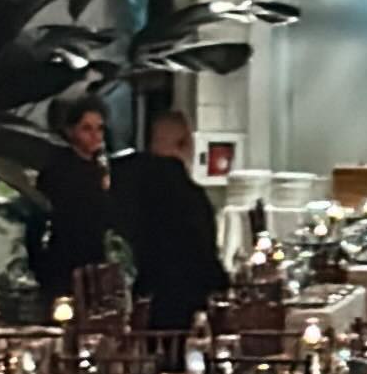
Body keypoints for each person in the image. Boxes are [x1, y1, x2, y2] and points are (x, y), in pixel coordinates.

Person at [111, 107, 230, 339]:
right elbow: (201, 253)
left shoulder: (121, 181)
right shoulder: (189, 196)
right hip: (178, 301)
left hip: (132, 298)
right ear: (185, 144)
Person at [29, 96, 114, 305]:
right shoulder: (57, 171)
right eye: (87, 129)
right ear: (70, 131)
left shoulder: (101, 169)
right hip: (62, 262)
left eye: (99, 129)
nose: (95, 136)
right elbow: (39, 220)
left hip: (95, 262)